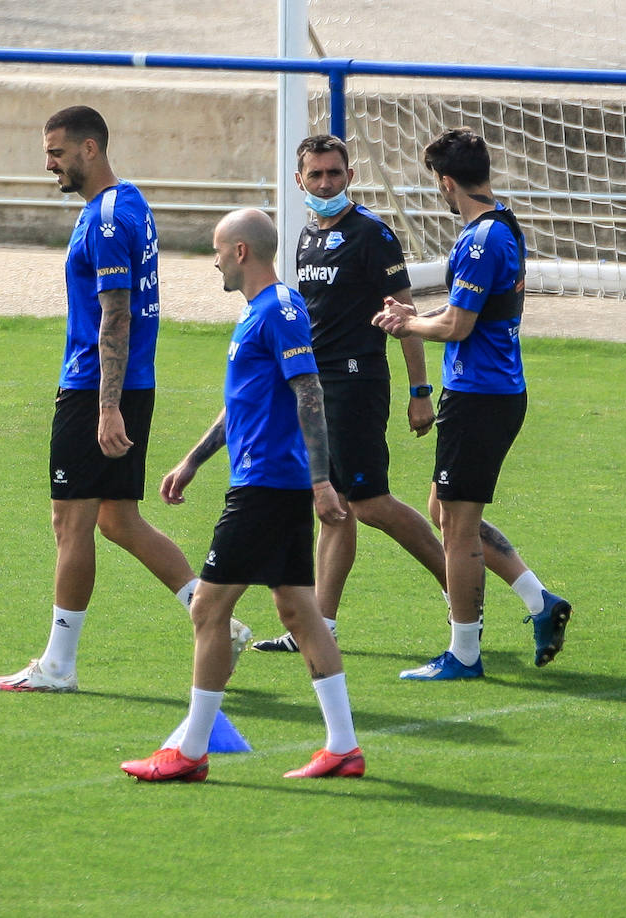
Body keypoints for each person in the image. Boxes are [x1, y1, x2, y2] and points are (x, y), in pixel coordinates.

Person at [0, 105, 248, 693]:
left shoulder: (106, 219)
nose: (48, 162)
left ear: (89, 149)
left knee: (70, 522)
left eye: (56, 152)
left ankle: (59, 665)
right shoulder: (129, 202)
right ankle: (215, 618)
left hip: (96, 388)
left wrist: (106, 406)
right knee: (118, 519)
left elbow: (116, 314)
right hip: (131, 383)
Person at [121, 208, 364, 782]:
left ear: (241, 253)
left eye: (217, 249)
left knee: (208, 607)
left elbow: (310, 394)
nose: (212, 260)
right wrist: (193, 460)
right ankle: (343, 747)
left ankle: (190, 751)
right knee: (300, 612)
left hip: (266, 487)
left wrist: (322, 480)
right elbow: (247, 403)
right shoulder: (259, 312)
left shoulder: (278, 310)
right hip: (266, 482)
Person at [373, 127, 572, 679]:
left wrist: (406, 321)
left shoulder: (481, 239)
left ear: (445, 181)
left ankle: (463, 654)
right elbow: (470, 313)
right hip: (493, 390)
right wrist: (415, 315)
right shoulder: (501, 222)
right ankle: (540, 602)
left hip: (480, 396)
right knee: (443, 511)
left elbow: (458, 326)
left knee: (458, 528)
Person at [250, 133, 450, 655]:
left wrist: (420, 390)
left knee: (372, 504)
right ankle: (321, 626)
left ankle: (461, 589)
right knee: (332, 505)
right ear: (299, 181)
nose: (325, 183)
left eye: (334, 174)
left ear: (350, 176)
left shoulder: (373, 236)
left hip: (357, 383)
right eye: (315, 175)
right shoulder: (305, 236)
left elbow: (405, 313)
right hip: (315, 387)